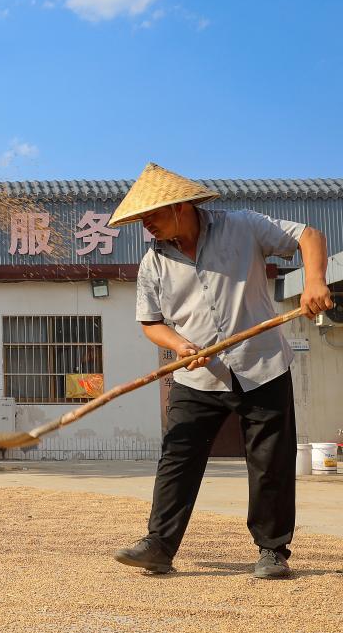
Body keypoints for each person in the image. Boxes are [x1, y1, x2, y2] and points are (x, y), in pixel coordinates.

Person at [109, 163, 333, 579]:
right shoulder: (153, 263)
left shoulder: (243, 227)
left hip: (261, 363)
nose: (148, 228)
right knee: (178, 455)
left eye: (152, 217)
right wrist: (180, 345)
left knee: (271, 460)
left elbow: (308, 235)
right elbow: (151, 323)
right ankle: (159, 544)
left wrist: (315, 280)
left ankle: (272, 551)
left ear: (180, 207)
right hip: (197, 375)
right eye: (142, 221)